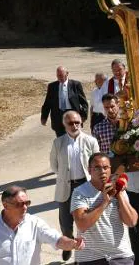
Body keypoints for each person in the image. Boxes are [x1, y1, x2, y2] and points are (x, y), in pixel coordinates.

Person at [0, 186, 85, 265]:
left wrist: (71, 244)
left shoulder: (35, 223)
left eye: (27, 203)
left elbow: (56, 239)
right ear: (5, 205)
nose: (25, 207)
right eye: (19, 204)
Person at [50, 110, 100, 262]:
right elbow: (54, 166)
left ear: (81, 123)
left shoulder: (90, 141)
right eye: (70, 123)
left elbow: (97, 162)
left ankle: (85, 253)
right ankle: (68, 245)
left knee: (86, 222)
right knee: (66, 223)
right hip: (66, 187)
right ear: (64, 125)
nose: (74, 126)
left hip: (85, 186)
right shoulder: (58, 143)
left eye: (77, 122)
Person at [71, 153, 138, 264]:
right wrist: (104, 202)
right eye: (97, 168)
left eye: (105, 167)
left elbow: (131, 221)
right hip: (91, 258)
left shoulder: (120, 191)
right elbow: (82, 224)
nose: (102, 171)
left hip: (120, 256)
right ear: (89, 170)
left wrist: (119, 195)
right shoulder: (80, 192)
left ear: (110, 169)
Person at [41, 66, 88, 137]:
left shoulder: (75, 85)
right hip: (58, 117)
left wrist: (83, 115)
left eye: (61, 75)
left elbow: (84, 102)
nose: (59, 77)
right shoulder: (52, 86)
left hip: (72, 116)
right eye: (58, 76)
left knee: (74, 139)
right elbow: (47, 103)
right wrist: (44, 117)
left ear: (67, 74)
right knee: (61, 141)